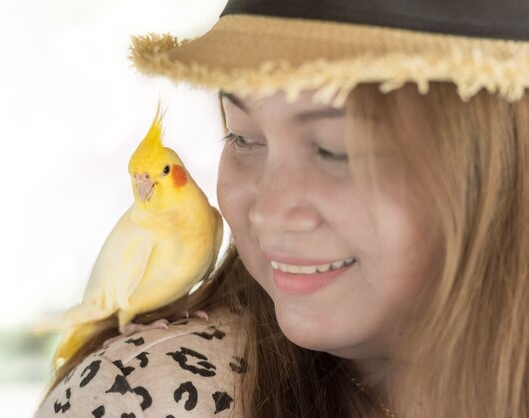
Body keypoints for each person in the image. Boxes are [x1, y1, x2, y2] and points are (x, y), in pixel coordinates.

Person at [34, 0, 529, 417]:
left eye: (338, 149)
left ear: (504, 160)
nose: (269, 213)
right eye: (242, 137)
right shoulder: (145, 394)